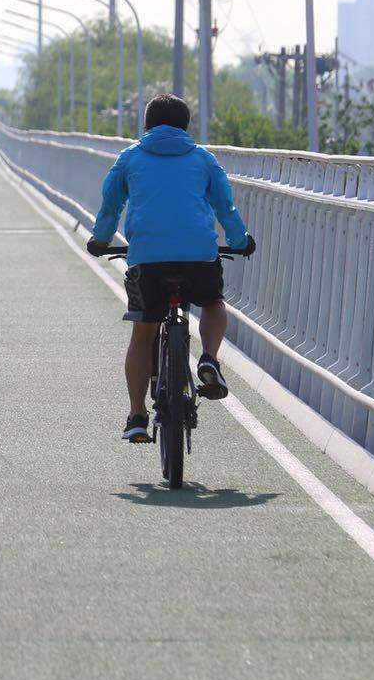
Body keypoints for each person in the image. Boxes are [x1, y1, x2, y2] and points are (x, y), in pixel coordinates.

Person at [85, 94, 256, 444]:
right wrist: (240, 241)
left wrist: (101, 240)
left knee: (143, 333)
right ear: (185, 126)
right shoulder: (203, 158)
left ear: (147, 125)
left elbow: (111, 204)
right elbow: (225, 207)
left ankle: (137, 415)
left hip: (148, 260)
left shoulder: (130, 157)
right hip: (198, 256)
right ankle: (208, 359)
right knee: (212, 303)